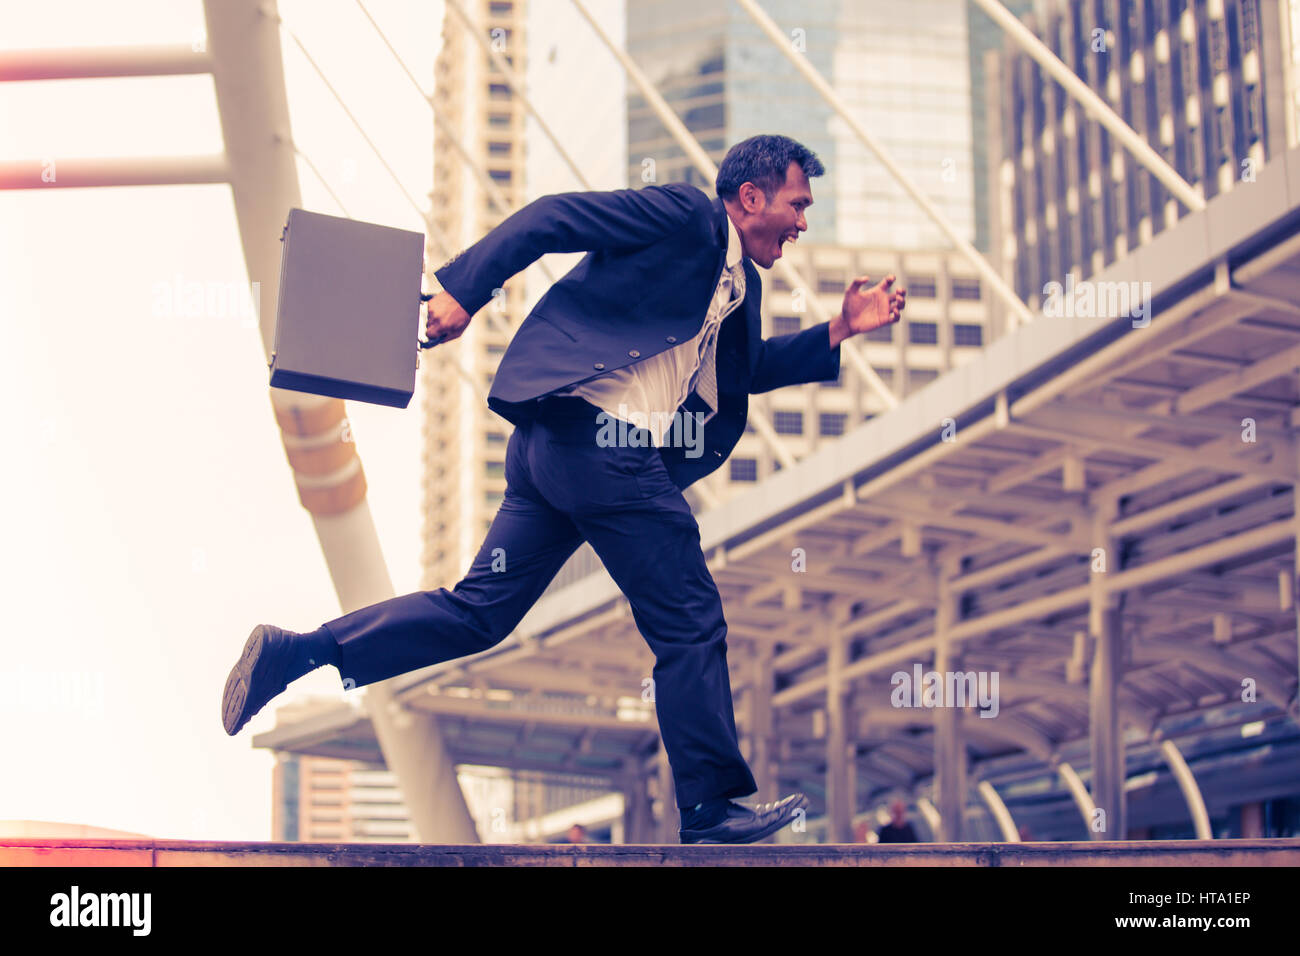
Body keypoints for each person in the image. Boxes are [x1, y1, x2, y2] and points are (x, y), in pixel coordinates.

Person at [222, 134, 907, 845]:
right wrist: (464, 290)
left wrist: (839, 328)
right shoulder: (686, 216)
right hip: (598, 441)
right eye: (798, 204)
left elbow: (746, 371)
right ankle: (709, 807)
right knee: (689, 615)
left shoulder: (741, 287)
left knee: (479, 614)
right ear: (752, 197)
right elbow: (553, 216)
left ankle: (296, 652)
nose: (803, 222)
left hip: (552, 454)